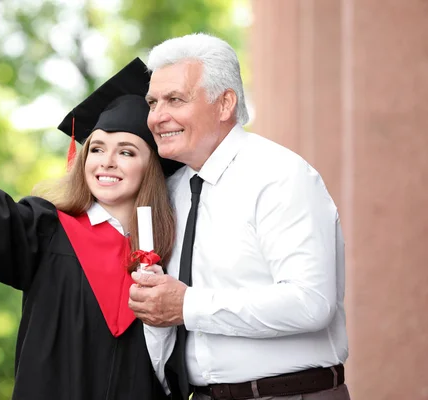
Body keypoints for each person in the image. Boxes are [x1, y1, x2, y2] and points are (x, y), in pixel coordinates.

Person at [0, 58, 183, 400]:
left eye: (126, 152)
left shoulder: (173, 251)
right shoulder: (47, 230)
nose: (107, 161)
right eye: (96, 149)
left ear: (150, 168)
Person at [128, 33, 350, 400]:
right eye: (152, 102)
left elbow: (311, 302)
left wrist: (187, 305)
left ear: (224, 103)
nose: (156, 117)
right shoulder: (172, 191)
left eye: (174, 100)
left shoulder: (279, 175)